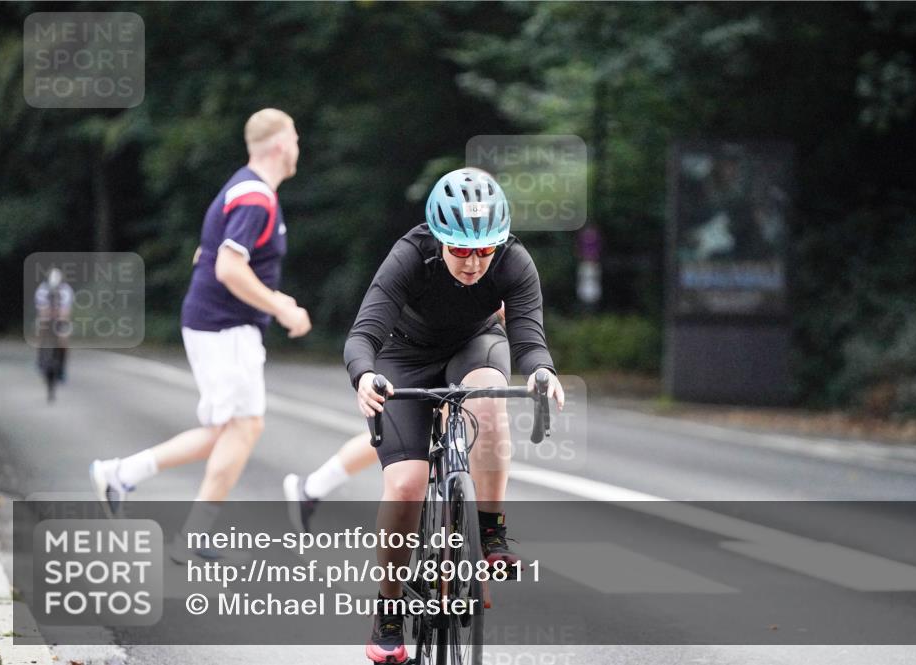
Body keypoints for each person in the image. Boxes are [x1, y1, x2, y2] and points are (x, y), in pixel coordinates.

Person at [343, 168, 564, 664]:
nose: (473, 262)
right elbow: (363, 335)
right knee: (405, 485)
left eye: (484, 250)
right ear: (440, 239)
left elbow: (528, 335)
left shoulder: (513, 261)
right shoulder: (409, 255)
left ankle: (490, 532)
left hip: (474, 345)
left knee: (488, 396)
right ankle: (389, 611)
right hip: (405, 355)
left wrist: (542, 372)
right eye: (461, 250)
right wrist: (364, 377)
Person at [90, 108, 311, 562]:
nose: (298, 147)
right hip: (225, 327)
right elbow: (227, 266)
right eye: (294, 138)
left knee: (227, 429)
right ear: (278, 145)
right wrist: (281, 306)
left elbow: (203, 254)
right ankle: (187, 530)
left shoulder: (244, 189)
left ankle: (121, 475)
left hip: (219, 325)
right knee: (244, 426)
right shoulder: (255, 197)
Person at [282, 304, 506, 534]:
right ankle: (312, 487)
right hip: (412, 338)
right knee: (407, 436)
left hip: (458, 339)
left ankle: (311, 487)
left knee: (447, 414)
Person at [34, 267, 74, 400]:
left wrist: (61, 318)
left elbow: (66, 311)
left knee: (64, 340)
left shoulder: (66, 290)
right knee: (40, 333)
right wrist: (46, 319)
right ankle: (40, 361)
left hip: (60, 319)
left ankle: (62, 368)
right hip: (46, 318)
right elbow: (41, 310)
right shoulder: (42, 289)